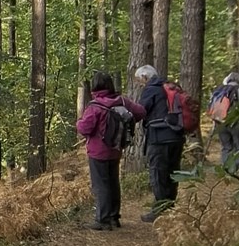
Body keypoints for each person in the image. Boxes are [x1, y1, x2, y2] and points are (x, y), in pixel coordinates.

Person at [128, 63, 187, 217]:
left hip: (159, 138)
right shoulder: (170, 87)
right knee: (172, 172)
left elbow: (141, 111)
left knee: (158, 174)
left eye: (139, 80)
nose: (140, 84)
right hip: (177, 137)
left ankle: (160, 210)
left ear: (145, 77)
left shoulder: (151, 89)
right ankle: (170, 207)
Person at [75, 72, 131, 228]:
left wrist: (79, 122)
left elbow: (84, 128)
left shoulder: (95, 106)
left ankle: (103, 220)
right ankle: (114, 217)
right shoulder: (121, 102)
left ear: (95, 86)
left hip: (98, 151)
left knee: (101, 184)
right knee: (113, 182)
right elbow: (140, 112)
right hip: (116, 149)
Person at [209, 69, 239, 174]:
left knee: (227, 147)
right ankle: (232, 170)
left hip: (221, 123)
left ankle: (225, 169)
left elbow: (212, 108)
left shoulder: (218, 92)